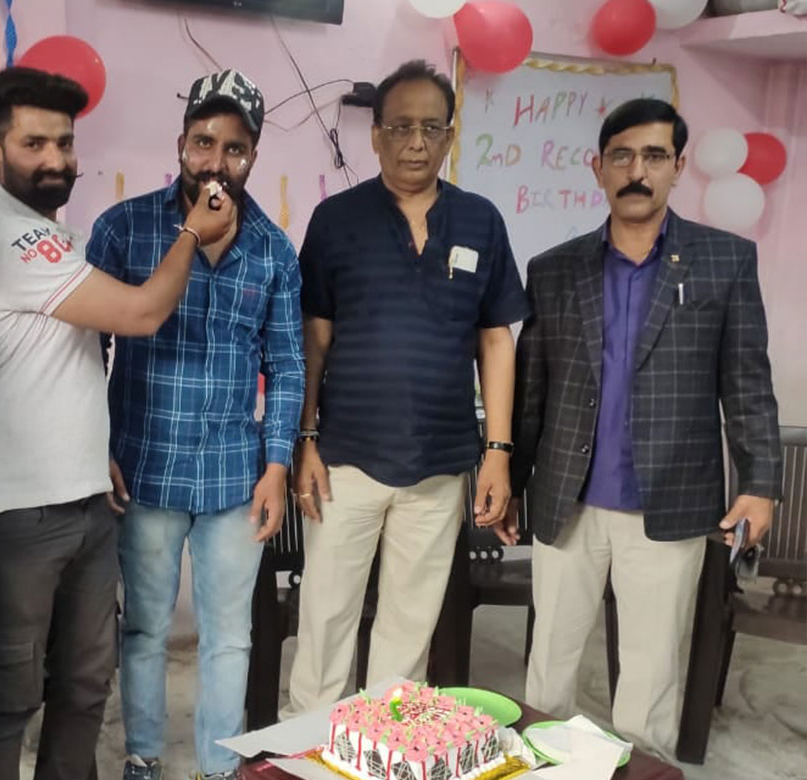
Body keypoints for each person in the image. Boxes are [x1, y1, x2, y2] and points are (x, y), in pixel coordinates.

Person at [0, 67, 236, 780]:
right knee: (6, 703)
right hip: (12, 514)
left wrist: (92, 446)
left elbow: (66, 359)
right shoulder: (8, 240)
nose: (56, 159)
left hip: (83, 500)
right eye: (34, 144)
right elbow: (141, 313)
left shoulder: (58, 237)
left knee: (83, 688)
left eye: (65, 143)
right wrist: (192, 234)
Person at [498, 98, 782, 756]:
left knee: (650, 680)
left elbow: (747, 382)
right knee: (548, 668)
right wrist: (511, 480)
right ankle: (539, 765)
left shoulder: (724, 261)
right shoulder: (554, 268)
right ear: (598, 167)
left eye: (654, 156)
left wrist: (761, 481)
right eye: (621, 156)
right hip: (567, 498)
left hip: (670, 500)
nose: (637, 171)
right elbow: (532, 391)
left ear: (678, 167)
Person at [284, 60, 529, 715]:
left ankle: (387, 746)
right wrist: (306, 439)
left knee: (409, 629)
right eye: (400, 127)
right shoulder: (336, 219)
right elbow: (314, 339)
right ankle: (307, 745)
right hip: (345, 458)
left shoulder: (479, 220)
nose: (416, 142)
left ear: (450, 135)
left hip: (440, 462)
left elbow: (495, 340)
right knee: (325, 620)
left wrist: (497, 452)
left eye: (430, 128)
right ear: (375, 136)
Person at [85, 69, 304, 780]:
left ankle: (220, 767)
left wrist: (277, 466)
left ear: (253, 156)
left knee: (229, 636)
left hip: (234, 474)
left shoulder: (273, 250)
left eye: (234, 148)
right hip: (143, 466)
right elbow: (86, 350)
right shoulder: (124, 229)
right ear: (180, 143)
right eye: (204, 142)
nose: (216, 161)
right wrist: (94, 446)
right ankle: (144, 759)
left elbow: (288, 364)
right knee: (145, 628)